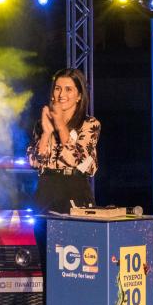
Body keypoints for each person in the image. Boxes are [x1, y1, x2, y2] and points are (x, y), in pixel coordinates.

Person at [27, 68, 100, 214]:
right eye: (57, 89)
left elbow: (77, 161)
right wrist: (46, 133)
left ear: (79, 96)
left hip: (74, 190)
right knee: (42, 228)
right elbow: (34, 162)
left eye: (68, 89)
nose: (61, 94)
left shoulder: (89, 124)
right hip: (45, 191)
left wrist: (60, 126)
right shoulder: (41, 124)